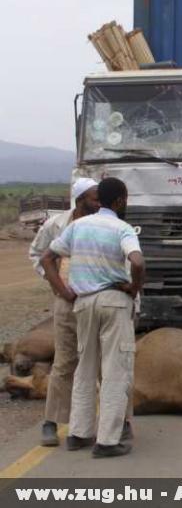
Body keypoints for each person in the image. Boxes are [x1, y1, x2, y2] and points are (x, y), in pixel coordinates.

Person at [40, 178, 145, 458]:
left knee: (83, 368)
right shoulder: (122, 228)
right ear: (120, 201)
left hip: (82, 303)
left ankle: (78, 434)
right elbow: (137, 262)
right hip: (113, 302)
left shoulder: (77, 226)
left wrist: (63, 291)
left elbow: (46, 258)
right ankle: (108, 441)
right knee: (114, 370)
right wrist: (134, 287)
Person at [29, 178, 100, 447]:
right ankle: (51, 422)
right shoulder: (56, 225)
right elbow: (37, 254)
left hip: (96, 300)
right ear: (79, 199)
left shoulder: (103, 223)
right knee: (64, 361)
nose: (98, 202)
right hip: (66, 300)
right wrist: (56, 284)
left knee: (99, 362)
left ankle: (106, 424)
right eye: (94, 198)